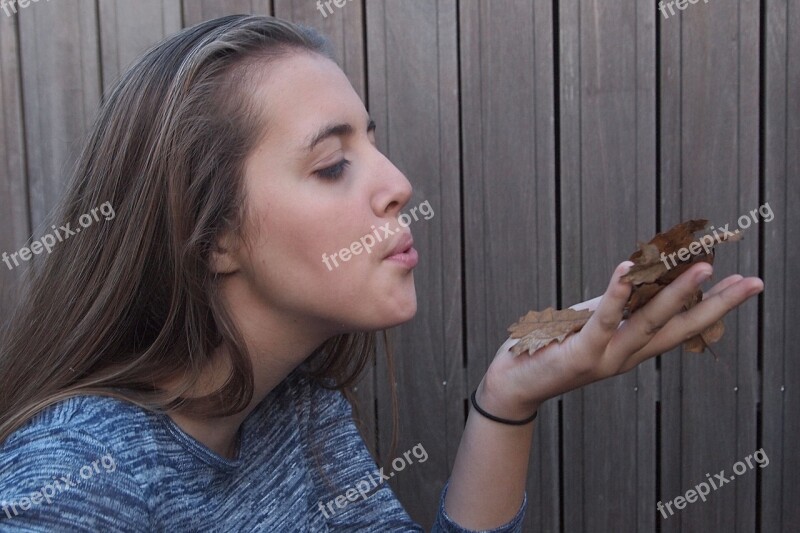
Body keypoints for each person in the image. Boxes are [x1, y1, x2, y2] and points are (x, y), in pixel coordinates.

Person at [0, 14, 763, 532]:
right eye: (332, 164)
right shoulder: (76, 483)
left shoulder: (298, 412)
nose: (397, 181)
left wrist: (508, 397)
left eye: (372, 144)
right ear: (211, 238)